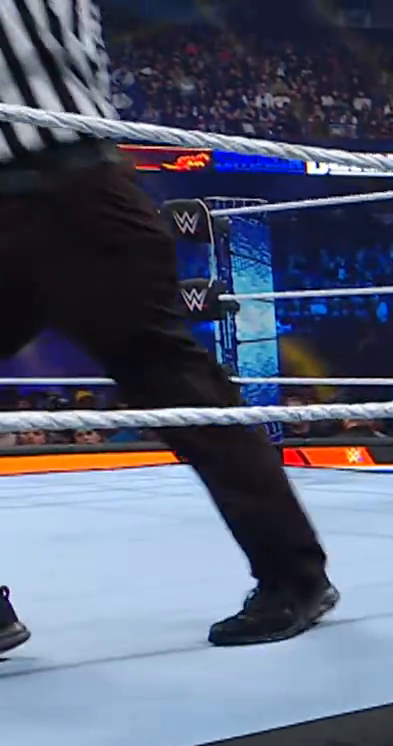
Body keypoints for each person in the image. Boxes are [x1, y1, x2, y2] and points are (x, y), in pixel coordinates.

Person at [0, 0, 335, 648]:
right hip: (50, 196)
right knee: (175, 379)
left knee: (176, 383)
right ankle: (295, 573)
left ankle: (294, 574)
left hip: (72, 196)